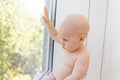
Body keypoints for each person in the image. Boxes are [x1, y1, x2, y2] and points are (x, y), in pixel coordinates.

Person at [42, 7, 90, 80]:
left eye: (65, 39)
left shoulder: (83, 56)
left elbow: (76, 76)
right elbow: (55, 35)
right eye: (61, 38)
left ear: (81, 38)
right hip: (56, 77)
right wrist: (48, 24)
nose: (61, 42)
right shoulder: (67, 43)